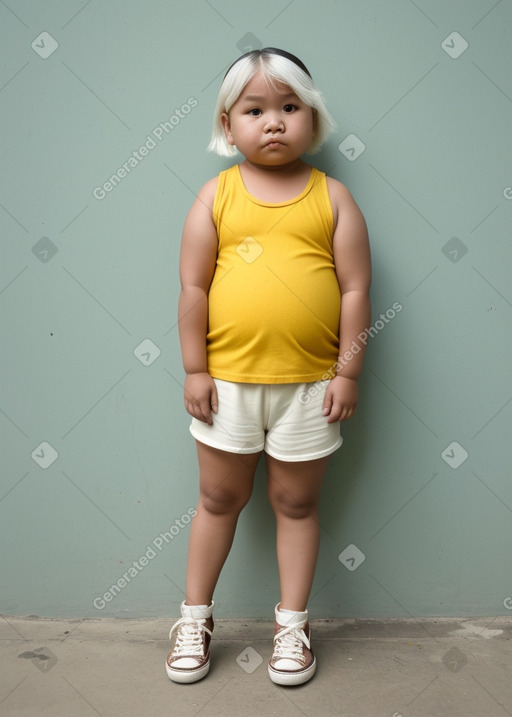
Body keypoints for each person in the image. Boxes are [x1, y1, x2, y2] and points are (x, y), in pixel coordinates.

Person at [166, 47, 371, 687]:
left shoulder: (333, 197)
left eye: (289, 108)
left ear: (313, 117)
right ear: (230, 125)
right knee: (218, 498)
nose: (274, 123)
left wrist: (348, 373)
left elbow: (356, 292)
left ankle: (292, 626)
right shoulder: (215, 195)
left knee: (296, 504)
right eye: (256, 110)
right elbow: (193, 290)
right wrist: (195, 370)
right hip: (227, 387)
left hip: (311, 389)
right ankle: (195, 620)